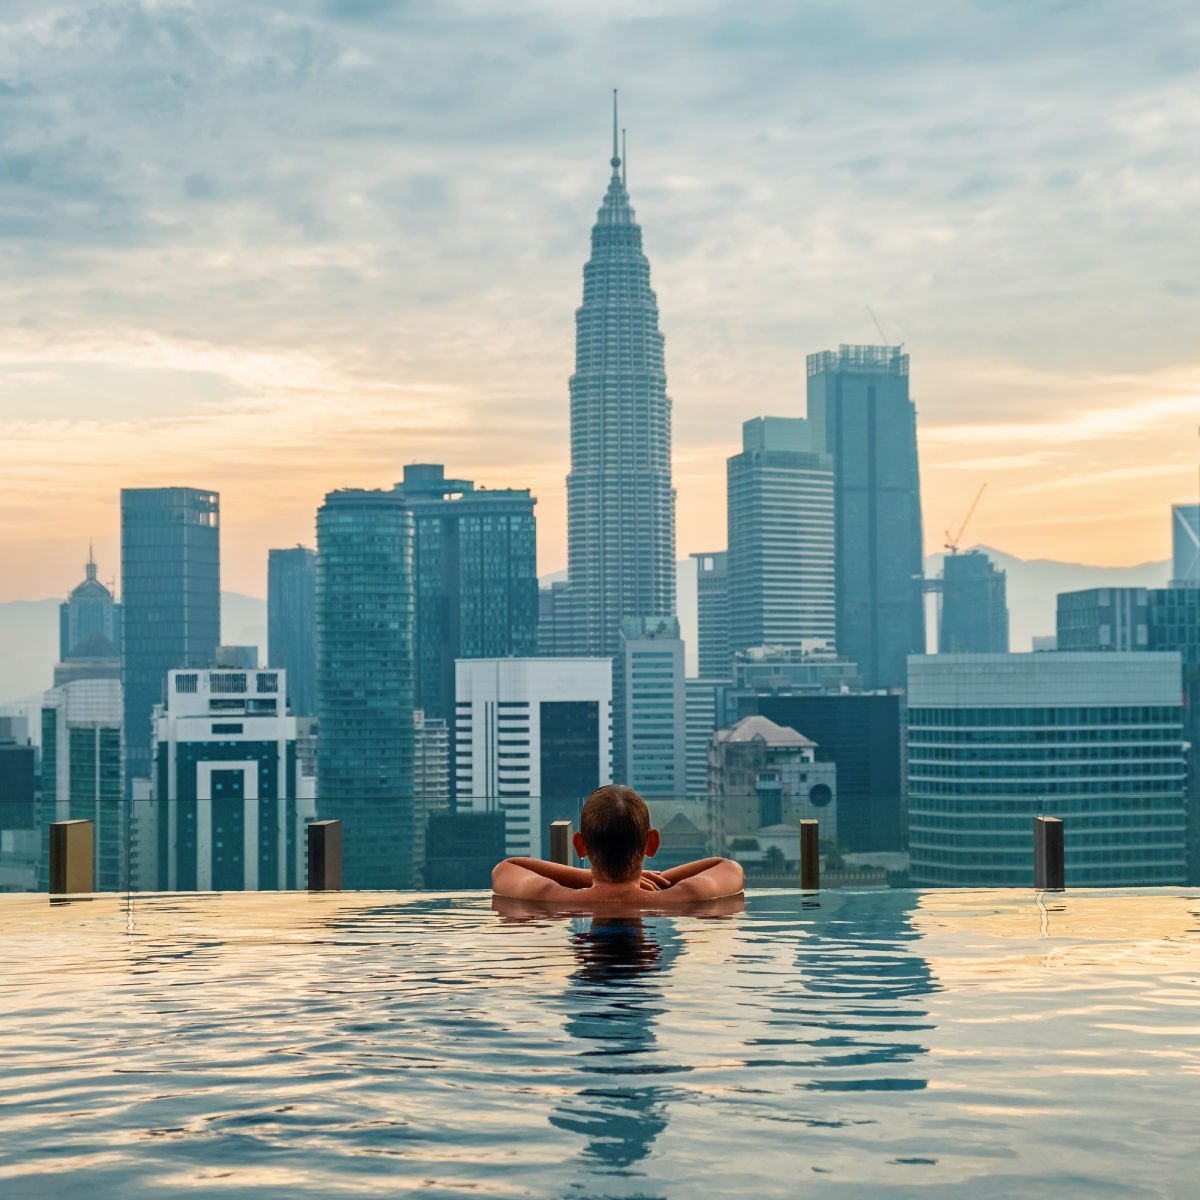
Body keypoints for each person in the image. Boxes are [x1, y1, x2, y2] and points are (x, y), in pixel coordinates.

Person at [491, 784, 744, 907]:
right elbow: (728, 867)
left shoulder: (556, 898)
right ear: (651, 843)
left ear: (579, 845)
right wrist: (657, 880)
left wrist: (587, 878)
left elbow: (506, 868)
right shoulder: (680, 898)